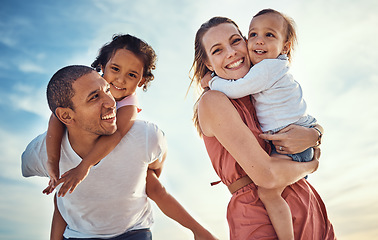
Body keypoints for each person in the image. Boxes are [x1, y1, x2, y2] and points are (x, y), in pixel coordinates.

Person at [22, 65, 217, 240]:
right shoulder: (43, 152)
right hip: (78, 236)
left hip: (133, 232)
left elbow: (155, 170)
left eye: (107, 90)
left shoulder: (145, 136)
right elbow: (28, 169)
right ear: (66, 115)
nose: (110, 102)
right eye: (94, 97)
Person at [189, 16, 336, 239]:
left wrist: (315, 134)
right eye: (217, 50)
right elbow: (266, 176)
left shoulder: (262, 91)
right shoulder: (214, 101)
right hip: (258, 214)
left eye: (235, 41)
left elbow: (300, 117)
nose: (231, 52)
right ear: (209, 64)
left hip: (307, 205)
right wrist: (311, 165)